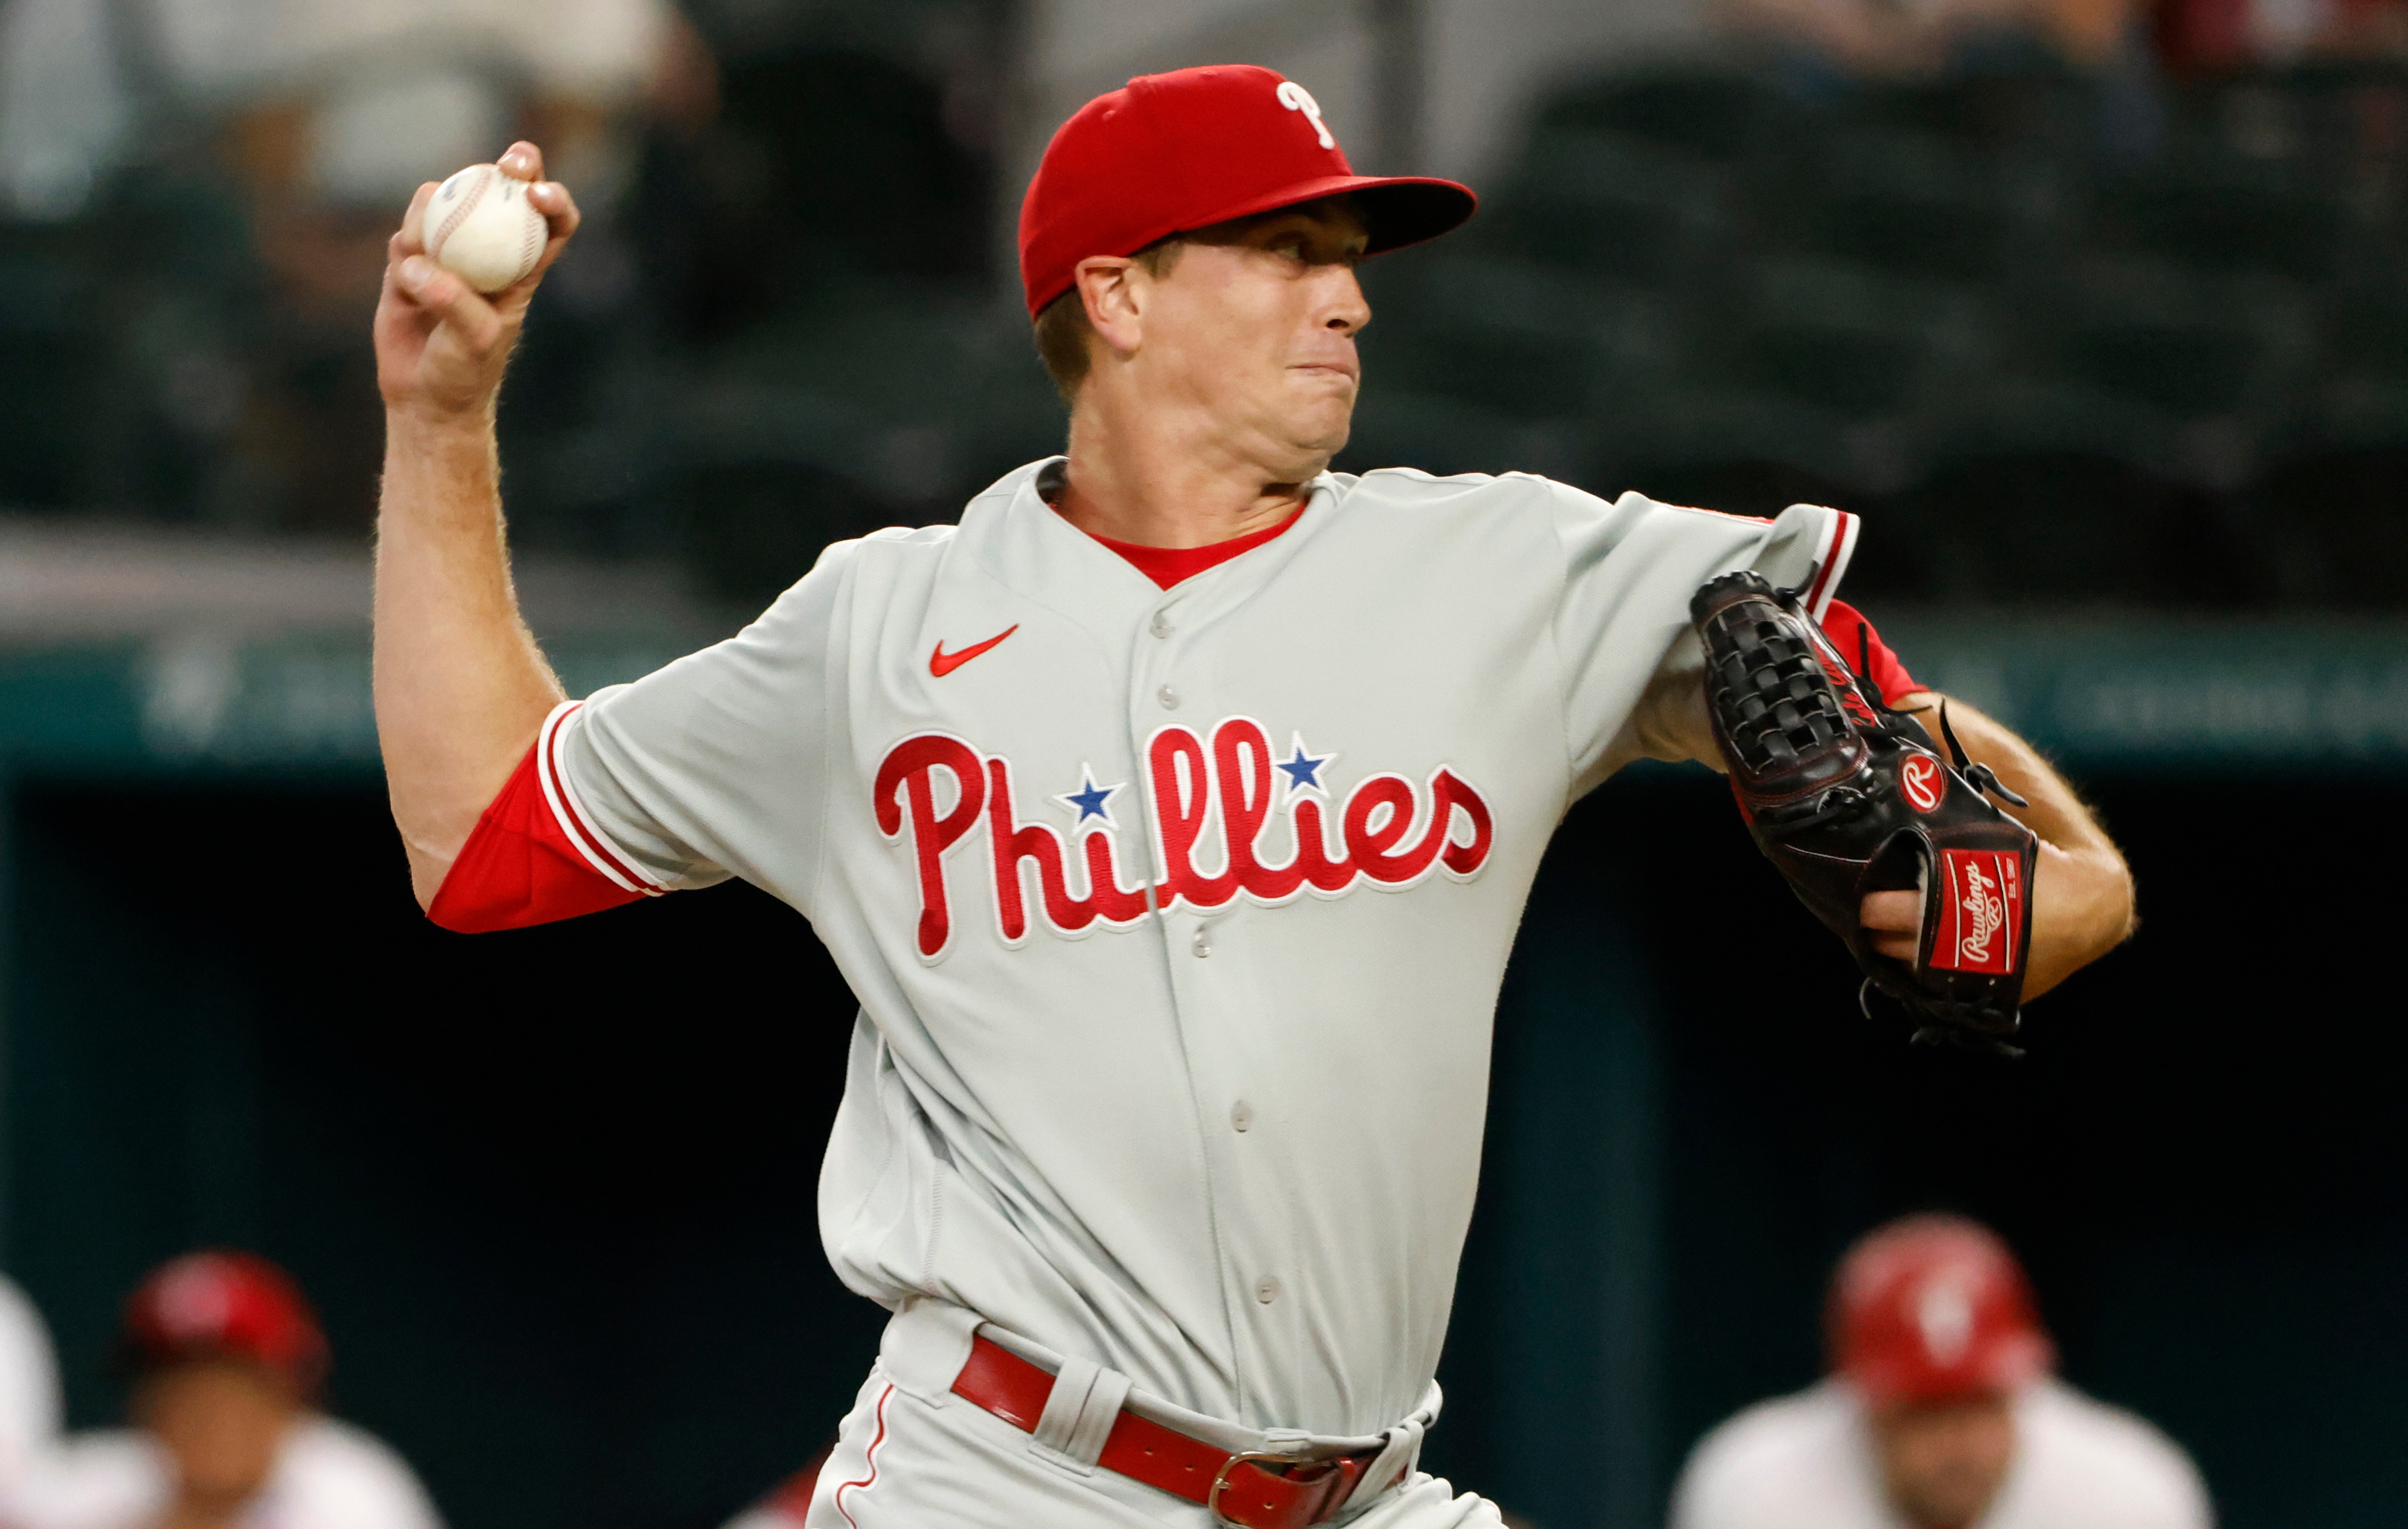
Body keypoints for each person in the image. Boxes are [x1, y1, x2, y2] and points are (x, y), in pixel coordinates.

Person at [371, 62, 2137, 1527]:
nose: (1350, 292)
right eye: (1286, 249)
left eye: (1348, 253)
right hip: (1008, 1482)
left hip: (1361, 1490)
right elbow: (480, 834)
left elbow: (1854, 689)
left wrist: (2047, 884)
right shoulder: (876, 632)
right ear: (1117, 295)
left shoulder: (1504, 567)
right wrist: (443, 421)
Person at [1668, 1216, 2211, 1529]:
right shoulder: (1755, 1489)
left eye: (1979, 1404)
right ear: (1860, 1402)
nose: (1957, 1444)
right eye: (1924, 1412)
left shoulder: (2126, 1495)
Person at [2, 1251, 442, 1529]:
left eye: (234, 1392)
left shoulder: (354, 1491)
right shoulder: (86, 1489)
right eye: (181, 1392)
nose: (208, 1417)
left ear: (291, 1402)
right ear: (145, 1408)